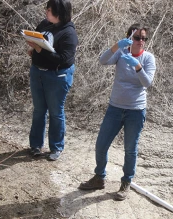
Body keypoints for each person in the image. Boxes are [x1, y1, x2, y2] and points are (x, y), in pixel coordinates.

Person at [78, 23, 157, 201]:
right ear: (129, 38)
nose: (140, 41)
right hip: (115, 108)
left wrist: (137, 66)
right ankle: (99, 177)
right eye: (137, 37)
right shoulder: (121, 53)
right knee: (101, 145)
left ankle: (126, 182)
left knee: (130, 149)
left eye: (143, 38)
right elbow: (103, 60)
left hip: (135, 111)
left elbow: (147, 83)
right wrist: (116, 46)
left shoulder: (148, 59)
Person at [26, 0, 78, 161]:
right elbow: (36, 42)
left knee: (56, 112)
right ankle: (35, 145)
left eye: (49, 10)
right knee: (39, 110)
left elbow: (62, 59)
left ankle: (56, 147)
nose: (46, 12)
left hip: (57, 76)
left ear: (59, 13)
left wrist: (41, 50)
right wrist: (33, 48)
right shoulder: (44, 24)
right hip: (38, 73)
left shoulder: (69, 34)